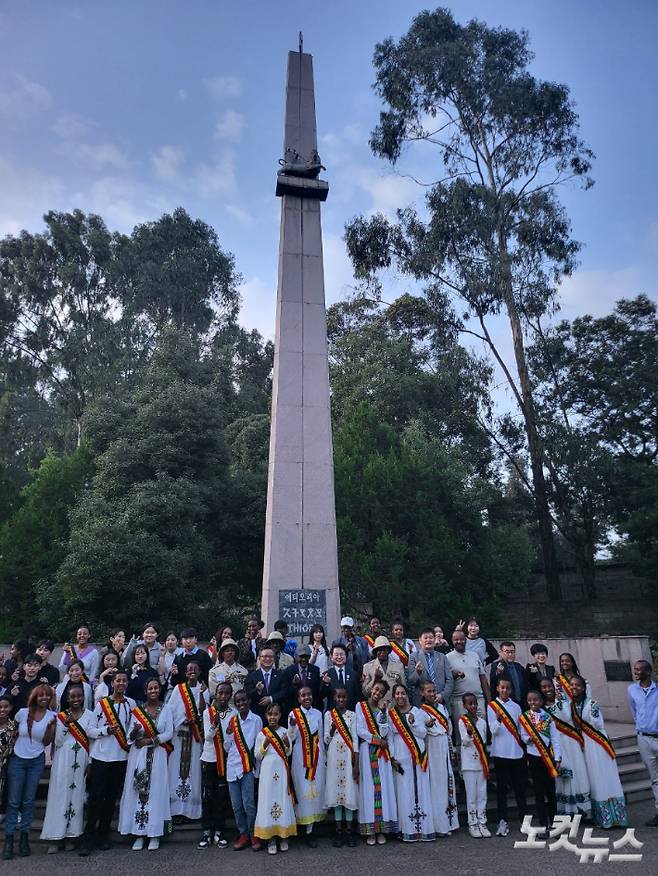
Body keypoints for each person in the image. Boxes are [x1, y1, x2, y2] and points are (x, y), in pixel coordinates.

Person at [79, 669, 135, 856]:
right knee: (95, 798)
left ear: (127, 684)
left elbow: (132, 729)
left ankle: (104, 835)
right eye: (118, 680)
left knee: (111, 799)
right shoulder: (102, 704)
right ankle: (88, 838)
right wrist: (105, 731)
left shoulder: (132, 703)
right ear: (112, 683)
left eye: (124, 681)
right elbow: (90, 730)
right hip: (102, 757)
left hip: (120, 757)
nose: (120, 683)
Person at [118, 677, 174, 851]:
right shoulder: (137, 711)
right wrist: (135, 732)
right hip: (138, 757)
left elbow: (169, 733)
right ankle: (139, 834)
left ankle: (155, 834)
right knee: (138, 793)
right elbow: (129, 738)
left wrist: (149, 741)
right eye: (150, 688)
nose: (153, 691)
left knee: (156, 792)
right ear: (145, 691)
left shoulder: (166, 709)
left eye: (156, 688)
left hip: (157, 755)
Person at [2, 685, 56, 859]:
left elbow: (47, 742)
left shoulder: (51, 716)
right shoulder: (22, 713)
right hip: (17, 759)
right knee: (13, 801)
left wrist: (49, 728)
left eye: (47, 696)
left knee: (28, 800)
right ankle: (9, 840)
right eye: (41, 696)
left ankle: (24, 838)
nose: (44, 698)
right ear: (35, 697)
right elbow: (13, 733)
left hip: (36, 761)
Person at [41, 683, 93, 853]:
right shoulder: (61, 717)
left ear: (83, 697)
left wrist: (90, 762)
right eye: (72, 697)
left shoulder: (90, 715)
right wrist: (68, 725)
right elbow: (58, 742)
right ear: (67, 699)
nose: (76, 699)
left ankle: (72, 835)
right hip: (63, 759)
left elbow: (92, 740)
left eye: (78, 696)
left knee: (77, 796)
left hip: (82, 759)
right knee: (59, 795)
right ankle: (55, 838)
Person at [571, 675, 628, 829]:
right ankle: (602, 817)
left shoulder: (591, 704)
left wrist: (592, 714)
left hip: (598, 743)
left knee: (605, 775)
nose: (574, 687)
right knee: (594, 777)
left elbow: (597, 724)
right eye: (572, 685)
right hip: (587, 744)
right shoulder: (573, 705)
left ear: (583, 688)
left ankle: (615, 816)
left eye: (577, 685)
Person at [388, 683, 435, 842]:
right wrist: (392, 757)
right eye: (397, 694)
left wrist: (413, 723)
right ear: (394, 696)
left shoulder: (417, 712)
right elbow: (390, 737)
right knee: (404, 791)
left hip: (418, 754)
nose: (400, 696)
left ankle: (423, 829)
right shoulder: (391, 714)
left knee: (421, 789)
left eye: (402, 693)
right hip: (401, 756)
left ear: (407, 694)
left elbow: (422, 733)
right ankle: (407, 829)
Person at [540, 677, 591, 818]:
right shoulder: (542, 708)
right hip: (557, 744)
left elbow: (566, 716)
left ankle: (582, 808)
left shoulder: (563, 701)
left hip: (570, 741)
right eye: (544, 687)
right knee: (564, 775)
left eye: (549, 686)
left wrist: (559, 699)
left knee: (578, 771)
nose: (547, 689)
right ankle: (568, 810)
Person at [356, 679, 397, 844]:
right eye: (376, 689)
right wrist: (375, 740)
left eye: (381, 692)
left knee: (383, 788)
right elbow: (359, 729)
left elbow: (385, 731)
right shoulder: (360, 706)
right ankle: (370, 830)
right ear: (371, 689)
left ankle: (382, 829)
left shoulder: (383, 710)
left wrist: (383, 714)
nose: (377, 693)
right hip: (368, 751)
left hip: (381, 753)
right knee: (369, 789)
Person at [254, 702, 297, 855]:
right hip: (267, 771)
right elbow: (257, 756)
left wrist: (286, 744)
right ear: (266, 716)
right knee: (268, 800)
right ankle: (271, 838)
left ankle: (283, 836)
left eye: (276, 714)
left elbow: (289, 752)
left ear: (280, 716)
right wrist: (264, 745)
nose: (272, 717)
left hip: (281, 769)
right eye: (270, 714)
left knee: (282, 799)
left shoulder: (285, 732)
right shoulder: (261, 734)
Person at [487, 677, 527, 837]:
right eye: (501, 688)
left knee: (520, 789)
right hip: (500, 753)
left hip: (516, 752)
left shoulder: (516, 706)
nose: (504, 690)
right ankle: (502, 821)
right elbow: (493, 730)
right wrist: (497, 720)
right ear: (497, 688)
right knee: (502, 790)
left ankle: (524, 820)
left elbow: (521, 728)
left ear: (510, 690)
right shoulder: (492, 706)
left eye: (507, 688)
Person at [519, 689, 561, 835]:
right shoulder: (525, 717)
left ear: (541, 702)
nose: (532, 703)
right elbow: (522, 734)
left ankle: (555, 824)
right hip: (533, 757)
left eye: (535, 700)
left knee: (551, 792)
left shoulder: (548, 717)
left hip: (548, 758)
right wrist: (527, 739)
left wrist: (557, 758)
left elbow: (555, 738)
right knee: (538, 793)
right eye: (529, 700)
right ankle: (543, 824)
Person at [419, 680, 458, 836]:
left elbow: (448, 729)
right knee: (436, 784)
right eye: (428, 691)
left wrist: (452, 750)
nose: (432, 693)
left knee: (446, 781)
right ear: (422, 693)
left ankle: (449, 823)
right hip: (433, 746)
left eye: (434, 690)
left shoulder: (442, 707)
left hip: (444, 746)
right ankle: (438, 825)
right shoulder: (421, 711)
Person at [225, 689, 262, 850]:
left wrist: (257, 769)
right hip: (232, 765)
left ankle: (254, 834)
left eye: (243, 700)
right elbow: (227, 747)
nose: (241, 703)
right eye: (238, 701)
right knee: (236, 805)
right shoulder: (232, 721)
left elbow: (259, 743)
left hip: (248, 766)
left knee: (249, 804)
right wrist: (227, 734)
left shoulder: (256, 720)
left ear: (249, 701)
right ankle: (243, 834)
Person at [168, 660, 205, 821]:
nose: (192, 671)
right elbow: (171, 711)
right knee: (176, 770)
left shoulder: (204, 689)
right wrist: (182, 720)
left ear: (200, 672)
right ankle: (175, 810)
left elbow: (205, 713)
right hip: (179, 736)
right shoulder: (178, 689)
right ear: (185, 672)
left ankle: (191, 810)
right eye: (189, 669)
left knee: (193, 772)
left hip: (195, 736)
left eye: (195, 669)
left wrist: (203, 695)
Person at [288, 686, 325, 845]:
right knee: (302, 790)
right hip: (300, 757)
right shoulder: (293, 714)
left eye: (309, 694)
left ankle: (312, 830)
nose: (307, 697)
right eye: (303, 695)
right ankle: (301, 827)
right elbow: (291, 738)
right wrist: (292, 726)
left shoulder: (318, 713)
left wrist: (324, 757)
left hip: (316, 757)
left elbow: (322, 736)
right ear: (298, 698)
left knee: (315, 790)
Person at [198, 681, 233, 849]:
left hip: (224, 760)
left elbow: (230, 740)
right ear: (215, 694)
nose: (223, 696)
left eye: (227, 693)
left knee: (221, 797)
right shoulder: (208, 713)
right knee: (208, 796)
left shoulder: (233, 714)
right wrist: (215, 724)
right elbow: (208, 737)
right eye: (220, 693)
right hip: (209, 758)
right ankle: (206, 831)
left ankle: (219, 830)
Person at [324, 687, 359, 847]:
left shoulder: (352, 715)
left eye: (344, 697)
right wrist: (331, 730)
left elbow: (355, 740)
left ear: (347, 698)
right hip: (333, 757)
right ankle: (338, 831)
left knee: (348, 792)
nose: (341, 700)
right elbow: (325, 740)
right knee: (337, 794)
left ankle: (349, 831)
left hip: (347, 757)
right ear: (334, 698)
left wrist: (356, 763)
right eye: (338, 697)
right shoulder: (328, 715)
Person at [628, 659, 658, 826]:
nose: (636, 672)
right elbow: (634, 711)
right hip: (644, 738)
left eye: (640, 669)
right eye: (635, 669)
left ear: (648, 671)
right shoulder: (632, 690)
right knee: (655, 778)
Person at [459, 692, 491, 838]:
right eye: (469, 704)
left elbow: (483, 742)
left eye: (474, 703)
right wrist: (469, 734)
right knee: (471, 795)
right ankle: (472, 823)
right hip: (468, 764)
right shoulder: (462, 721)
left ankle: (482, 821)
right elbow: (464, 742)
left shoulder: (482, 722)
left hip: (481, 762)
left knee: (482, 794)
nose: (473, 706)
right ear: (464, 705)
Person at [446, 630, 491, 730]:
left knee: (481, 731)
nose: (459, 642)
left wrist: (489, 701)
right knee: (463, 734)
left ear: (465, 640)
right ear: (452, 641)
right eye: (456, 640)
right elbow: (446, 679)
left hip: (478, 699)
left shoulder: (474, 655)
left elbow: (483, 678)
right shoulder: (447, 658)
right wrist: (455, 675)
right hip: (459, 701)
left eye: (461, 639)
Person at [407, 629, 454, 707]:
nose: (428, 640)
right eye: (425, 638)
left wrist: (443, 695)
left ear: (435, 639)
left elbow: (450, 679)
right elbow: (411, 682)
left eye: (431, 638)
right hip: (421, 703)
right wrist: (417, 673)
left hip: (440, 702)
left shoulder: (443, 657)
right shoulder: (413, 657)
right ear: (420, 640)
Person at [245, 647, 289, 723]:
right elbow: (248, 694)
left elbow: (285, 692)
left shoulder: (281, 675)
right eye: (265, 656)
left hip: (277, 717)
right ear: (259, 658)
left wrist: (271, 699)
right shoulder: (251, 676)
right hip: (258, 716)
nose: (268, 659)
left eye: (270, 657)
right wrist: (257, 690)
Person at [361, 637, 405, 708]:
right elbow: (365, 693)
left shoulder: (399, 666)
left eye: (384, 649)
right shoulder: (367, 667)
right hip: (375, 708)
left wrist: (400, 684)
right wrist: (375, 679)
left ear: (388, 650)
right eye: (379, 650)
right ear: (375, 652)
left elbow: (404, 690)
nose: (382, 652)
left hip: (394, 708)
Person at [320, 644, 362, 711]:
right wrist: (325, 684)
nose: (339, 657)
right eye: (336, 655)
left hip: (351, 714)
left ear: (346, 656)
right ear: (331, 657)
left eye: (342, 654)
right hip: (333, 715)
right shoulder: (326, 674)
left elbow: (358, 697)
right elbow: (321, 695)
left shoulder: (354, 674)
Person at [209, 638, 248, 707]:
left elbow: (246, 691)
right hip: (220, 707)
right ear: (222, 654)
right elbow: (212, 693)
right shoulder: (214, 671)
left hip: (238, 707)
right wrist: (224, 684)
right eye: (227, 651)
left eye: (232, 650)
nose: (230, 653)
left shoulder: (244, 671)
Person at [282, 644, 321, 711]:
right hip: (294, 710)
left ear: (309, 656)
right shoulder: (288, 671)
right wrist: (294, 685)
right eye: (301, 657)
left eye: (306, 657)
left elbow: (318, 692)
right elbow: (285, 693)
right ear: (296, 656)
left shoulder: (315, 670)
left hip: (312, 709)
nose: (304, 659)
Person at [489, 642, 528, 708]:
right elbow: (493, 682)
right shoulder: (496, 665)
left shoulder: (518, 666)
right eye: (507, 652)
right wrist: (498, 672)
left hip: (521, 703)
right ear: (501, 653)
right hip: (505, 704)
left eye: (512, 652)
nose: (510, 654)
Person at [0, 697, 17, 823]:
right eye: (0, 707)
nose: (2, 710)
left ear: (11, 708)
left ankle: (3, 811)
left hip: (6, 763)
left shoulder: (14, 727)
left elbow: (13, 746)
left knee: (6, 787)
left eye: (6, 707)